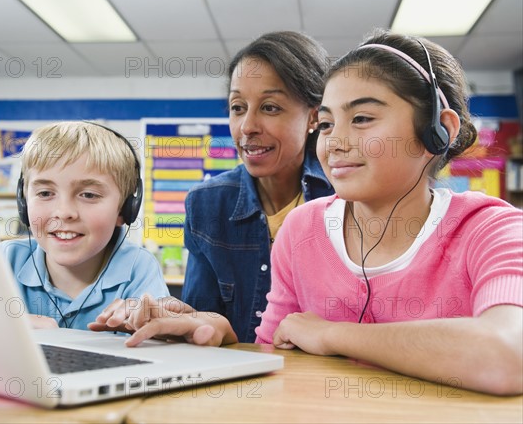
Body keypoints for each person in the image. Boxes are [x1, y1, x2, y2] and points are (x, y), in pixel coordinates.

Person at [93, 31, 523, 396]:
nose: (335, 141)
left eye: (363, 118)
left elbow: (508, 355)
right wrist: (215, 331)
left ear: (438, 130)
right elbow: (273, 360)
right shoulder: (304, 227)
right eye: (329, 123)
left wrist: (331, 333)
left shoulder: (491, 228)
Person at [90, 31, 334, 343]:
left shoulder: (344, 199)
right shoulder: (207, 204)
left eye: (270, 107)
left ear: (314, 116)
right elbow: (201, 320)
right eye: (238, 107)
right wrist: (171, 319)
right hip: (239, 381)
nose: (247, 127)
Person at [1, 121, 169, 330]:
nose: (64, 212)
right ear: (23, 203)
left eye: (88, 195)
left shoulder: (138, 267)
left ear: (125, 209)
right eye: (45, 193)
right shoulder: (1, 261)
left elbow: (159, 343)